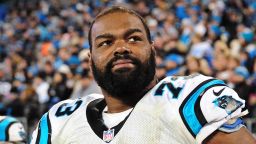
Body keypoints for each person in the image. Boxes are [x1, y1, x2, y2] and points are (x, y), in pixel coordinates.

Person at [30, 6, 256, 144]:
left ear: (153, 50)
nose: (120, 48)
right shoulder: (59, 122)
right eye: (106, 43)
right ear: (90, 60)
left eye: (133, 38)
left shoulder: (188, 100)